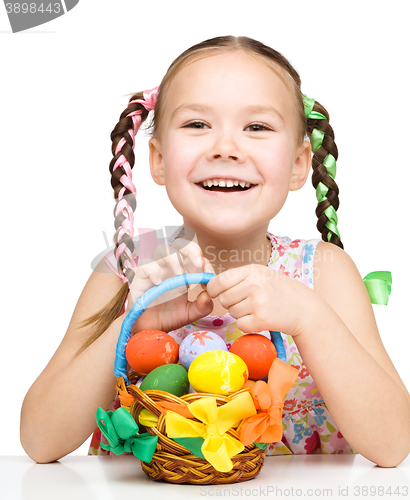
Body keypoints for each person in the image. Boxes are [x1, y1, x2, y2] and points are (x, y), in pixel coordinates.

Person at [20, 36, 410, 467]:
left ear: (299, 163)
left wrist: (309, 317)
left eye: (257, 127)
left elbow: (392, 445)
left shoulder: (325, 271)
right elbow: (40, 440)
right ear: (159, 159)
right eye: (196, 125)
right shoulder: (126, 270)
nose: (226, 147)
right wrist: (134, 323)